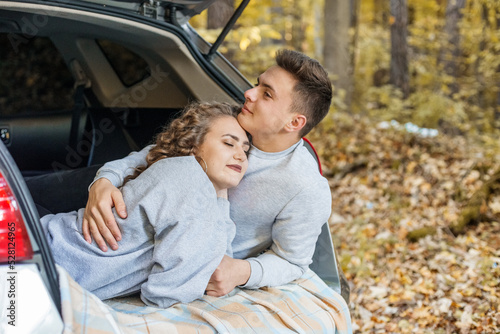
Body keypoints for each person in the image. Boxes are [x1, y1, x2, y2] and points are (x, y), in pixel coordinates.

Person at [83, 49, 333, 297]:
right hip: (125, 212)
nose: (248, 93)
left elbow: (293, 262)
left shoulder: (307, 187)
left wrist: (242, 271)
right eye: (257, 84)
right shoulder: (234, 120)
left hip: (153, 260)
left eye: (266, 94)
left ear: (294, 123)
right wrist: (104, 180)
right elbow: (160, 152)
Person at [39, 102, 250, 308]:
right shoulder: (190, 181)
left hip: (44, 243)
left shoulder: (188, 179)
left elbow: (214, 258)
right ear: (194, 147)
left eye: (246, 150)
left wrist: (222, 194)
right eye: (229, 143)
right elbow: (165, 294)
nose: (240, 155)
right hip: (42, 258)